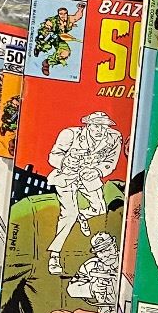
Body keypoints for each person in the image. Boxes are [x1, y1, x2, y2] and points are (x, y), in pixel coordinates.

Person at [46, 110, 124, 269]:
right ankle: (54, 256)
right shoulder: (70, 134)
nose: (100, 130)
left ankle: (82, 216)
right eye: (96, 126)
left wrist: (97, 171)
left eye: (104, 126)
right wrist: (66, 163)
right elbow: (53, 156)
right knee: (69, 214)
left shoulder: (114, 137)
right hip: (66, 177)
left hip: (89, 177)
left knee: (100, 209)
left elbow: (110, 162)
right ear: (88, 125)